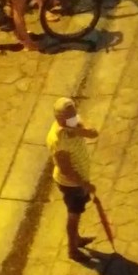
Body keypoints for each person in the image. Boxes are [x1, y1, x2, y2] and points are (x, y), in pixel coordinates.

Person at [47, 97, 100, 262]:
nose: (74, 118)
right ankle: (72, 249)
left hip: (80, 180)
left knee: (77, 211)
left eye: (74, 114)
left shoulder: (74, 123)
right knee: (74, 215)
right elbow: (66, 170)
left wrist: (78, 130)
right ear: (59, 119)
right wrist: (85, 184)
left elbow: (94, 133)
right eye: (69, 117)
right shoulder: (58, 140)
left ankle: (77, 239)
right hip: (71, 184)